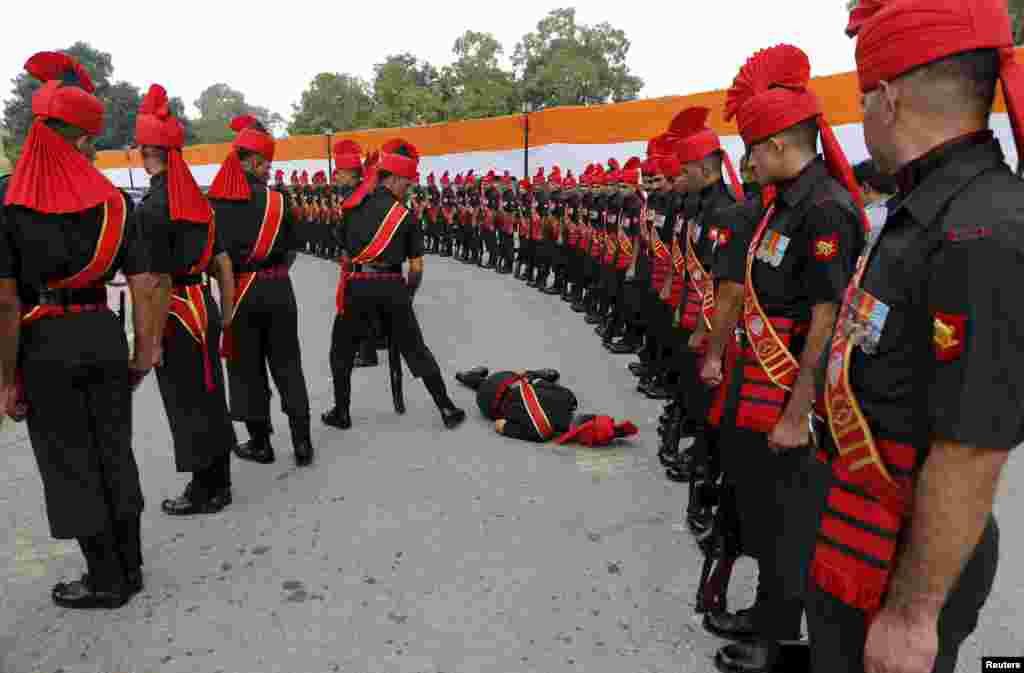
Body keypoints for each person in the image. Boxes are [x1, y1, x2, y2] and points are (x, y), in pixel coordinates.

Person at [806, 3, 1024, 672]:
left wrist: (911, 614)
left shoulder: (980, 230)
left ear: (889, 99)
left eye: (862, 96)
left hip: (907, 557)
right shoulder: (929, 206)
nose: (861, 114)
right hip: (868, 525)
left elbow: (970, 450)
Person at [700, 44, 867, 673]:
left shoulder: (823, 210)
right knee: (765, 514)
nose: (749, 162)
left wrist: (798, 415)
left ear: (774, 145)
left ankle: (778, 641)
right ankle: (769, 611)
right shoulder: (783, 204)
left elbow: (829, 318)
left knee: (791, 523)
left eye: (753, 149)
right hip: (760, 385)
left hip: (792, 396)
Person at [0, 52, 159, 608]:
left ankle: (105, 578)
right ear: (76, 137)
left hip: (45, 345)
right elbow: (144, 282)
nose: (91, 147)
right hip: (102, 334)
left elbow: (5, 303)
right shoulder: (113, 202)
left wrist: (4, 380)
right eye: (88, 139)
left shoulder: (8, 202)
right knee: (114, 449)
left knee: (71, 460)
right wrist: (147, 348)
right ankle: (132, 567)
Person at [133, 84, 238, 515]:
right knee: (210, 392)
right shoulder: (199, 202)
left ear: (145, 152)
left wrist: (150, 341)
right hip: (203, 306)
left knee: (185, 401)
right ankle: (221, 481)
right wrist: (227, 312)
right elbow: (224, 263)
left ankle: (203, 490)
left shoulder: (153, 208)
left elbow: (155, 282)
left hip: (176, 311)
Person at [331, 139, 466, 430]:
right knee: (416, 350)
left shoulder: (352, 206)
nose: (409, 188)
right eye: (406, 183)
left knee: (341, 351)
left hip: (358, 285)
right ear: (391, 179)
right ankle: (446, 408)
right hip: (393, 287)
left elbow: (343, 253)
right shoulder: (405, 216)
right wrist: (408, 293)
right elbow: (416, 267)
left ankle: (341, 413)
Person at [208, 115, 314, 467]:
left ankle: (260, 444)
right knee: (288, 365)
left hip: (239, 291)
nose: (269, 169)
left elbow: (211, 258)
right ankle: (302, 443)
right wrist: (273, 272)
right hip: (278, 287)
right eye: (266, 163)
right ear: (252, 162)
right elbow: (294, 250)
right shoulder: (278, 201)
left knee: (246, 370)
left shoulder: (216, 202)